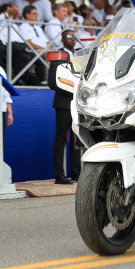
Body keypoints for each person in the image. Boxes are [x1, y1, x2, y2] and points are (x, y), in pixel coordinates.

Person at [48, 29, 81, 184]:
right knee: (61, 138)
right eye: (69, 36)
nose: (72, 39)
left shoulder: (80, 55)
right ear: (62, 39)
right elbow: (52, 82)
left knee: (77, 139)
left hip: (78, 104)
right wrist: (72, 91)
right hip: (63, 103)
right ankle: (59, 175)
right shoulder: (58, 55)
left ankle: (76, 173)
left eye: (74, 36)